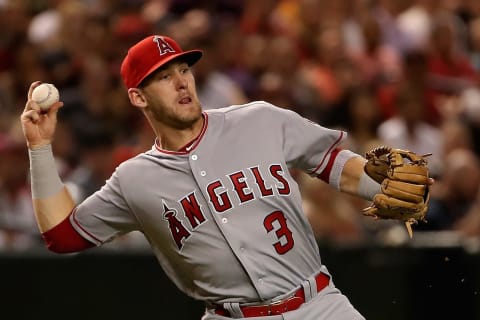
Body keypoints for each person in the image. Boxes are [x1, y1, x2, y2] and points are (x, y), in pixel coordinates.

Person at [20, 35, 427, 320]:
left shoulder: (260, 120)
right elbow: (62, 235)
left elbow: (334, 162)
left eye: (183, 69)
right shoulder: (134, 179)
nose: (181, 81)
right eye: (164, 77)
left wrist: (387, 184)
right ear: (138, 97)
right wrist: (39, 148)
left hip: (320, 306)